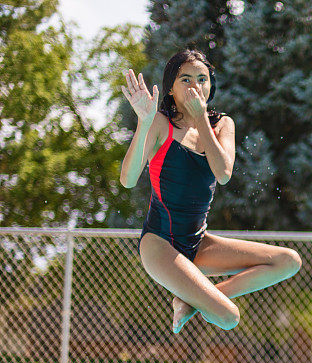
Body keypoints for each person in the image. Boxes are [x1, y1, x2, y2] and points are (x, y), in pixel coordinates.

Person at [119, 49, 301, 333]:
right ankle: (200, 301)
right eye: (186, 79)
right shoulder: (160, 124)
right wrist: (143, 122)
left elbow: (224, 173)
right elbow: (128, 180)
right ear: (170, 88)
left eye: (202, 79)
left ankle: (191, 300)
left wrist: (201, 118)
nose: (195, 86)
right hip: (159, 245)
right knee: (229, 318)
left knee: (288, 261)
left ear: (211, 86)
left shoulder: (222, 125)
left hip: (199, 243)